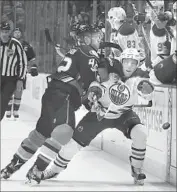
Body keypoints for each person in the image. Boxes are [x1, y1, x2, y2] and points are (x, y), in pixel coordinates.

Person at [26, 48, 154, 186]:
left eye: (133, 63)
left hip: (124, 114)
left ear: (138, 64)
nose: (129, 66)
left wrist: (147, 90)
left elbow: (148, 91)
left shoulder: (140, 76)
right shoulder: (109, 69)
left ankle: (137, 168)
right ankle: (54, 170)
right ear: (121, 61)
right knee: (72, 145)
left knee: (140, 133)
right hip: (99, 115)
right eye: (127, 62)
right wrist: (95, 91)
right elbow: (96, 83)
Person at [1, 24, 104, 183]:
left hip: (51, 94)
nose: (100, 40)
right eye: (97, 37)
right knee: (65, 131)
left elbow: (79, 80)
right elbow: (90, 83)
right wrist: (95, 96)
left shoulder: (75, 51)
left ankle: (11, 166)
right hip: (64, 96)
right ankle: (37, 170)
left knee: (39, 134)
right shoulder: (89, 52)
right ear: (86, 39)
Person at [6, 27, 38, 119]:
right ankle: (8, 110)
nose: (17, 34)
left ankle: (16, 111)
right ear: (12, 33)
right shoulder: (9, 44)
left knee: (18, 90)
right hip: (10, 71)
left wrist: (33, 67)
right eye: (15, 32)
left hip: (22, 71)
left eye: (19, 32)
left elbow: (32, 58)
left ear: (21, 34)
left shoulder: (26, 45)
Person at [0, 22, 27, 121]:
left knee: (3, 101)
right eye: (2, 31)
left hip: (10, 79)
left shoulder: (16, 44)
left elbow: (23, 63)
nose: (4, 34)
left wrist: (21, 79)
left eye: (6, 32)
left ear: (9, 32)